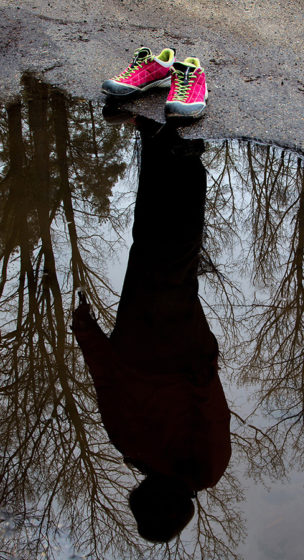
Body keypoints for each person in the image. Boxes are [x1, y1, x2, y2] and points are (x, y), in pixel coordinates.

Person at [72, 118, 231, 543]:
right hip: (169, 351)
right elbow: (211, 416)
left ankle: (165, 148)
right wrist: (88, 336)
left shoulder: (143, 453)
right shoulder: (190, 467)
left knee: (156, 251)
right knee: (164, 258)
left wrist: (89, 335)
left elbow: (107, 385)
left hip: (156, 345)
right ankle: (176, 155)